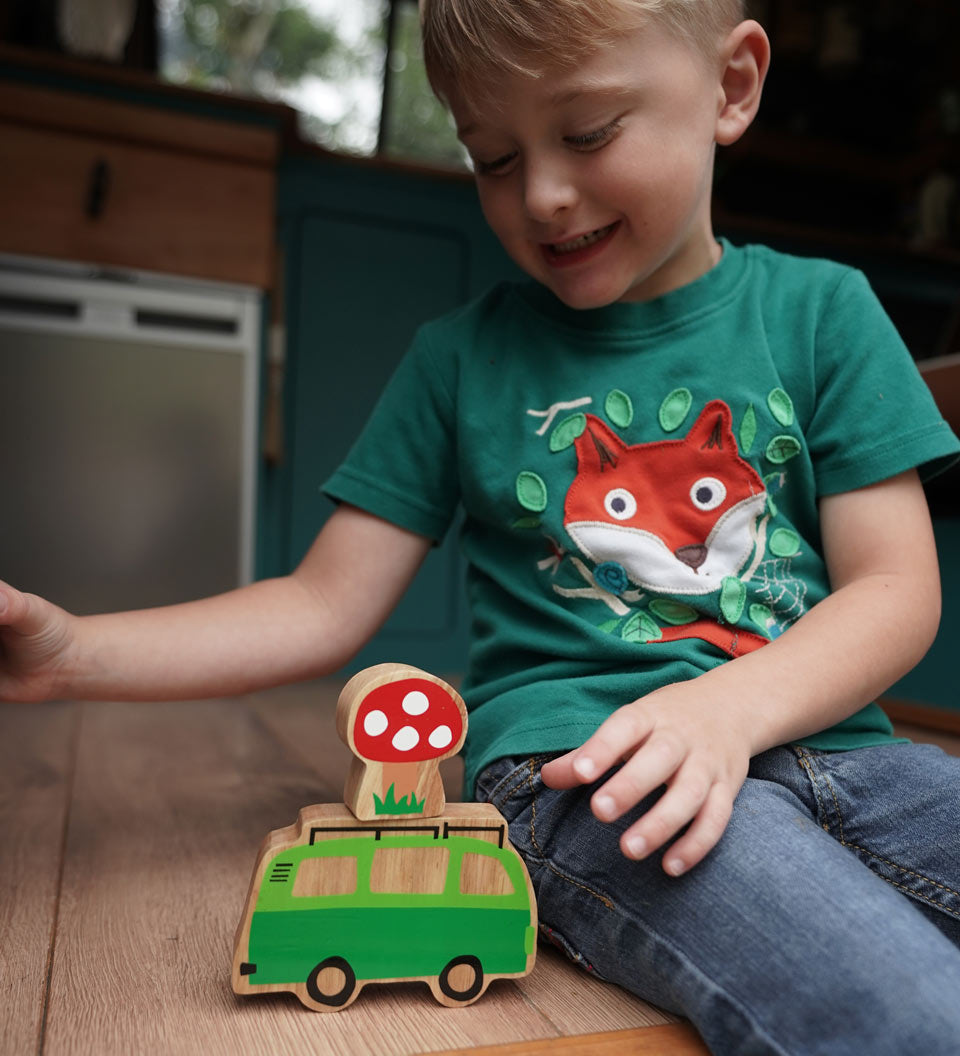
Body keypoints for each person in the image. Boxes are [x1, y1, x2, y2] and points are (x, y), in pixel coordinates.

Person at [3, 1, 960, 1051]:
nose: (542, 195)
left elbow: (897, 589)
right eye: (493, 157)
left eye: (589, 133)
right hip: (585, 774)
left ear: (731, 87)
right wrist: (73, 653)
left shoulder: (826, 312)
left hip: (848, 755)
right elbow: (320, 606)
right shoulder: (458, 362)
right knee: (911, 1012)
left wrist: (731, 713)